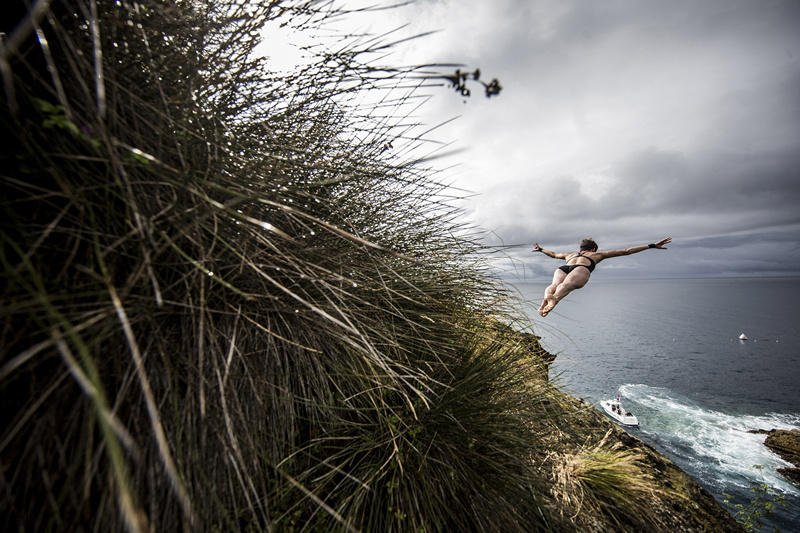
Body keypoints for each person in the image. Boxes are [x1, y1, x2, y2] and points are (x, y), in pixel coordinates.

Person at [532, 237, 672, 317]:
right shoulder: (597, 254)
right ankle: (553, 301)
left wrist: (541, 249)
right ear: (593, 249)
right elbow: (626, 251)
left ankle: (545, 300)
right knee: (565, 286)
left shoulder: (570, 254)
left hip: (564, 267)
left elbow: (554, 254)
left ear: (581, 248)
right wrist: (651, 245)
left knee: (554, 285)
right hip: (582, 268)